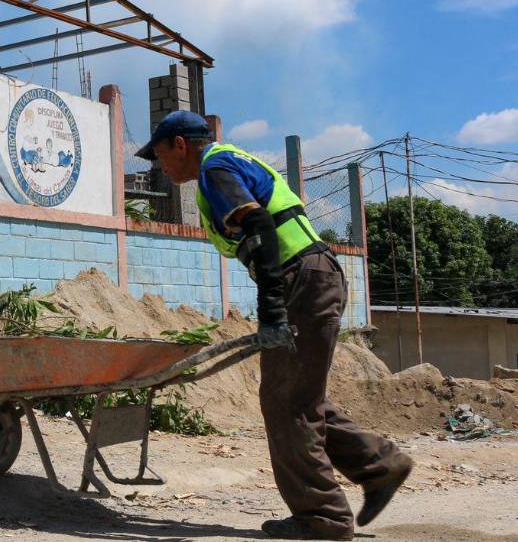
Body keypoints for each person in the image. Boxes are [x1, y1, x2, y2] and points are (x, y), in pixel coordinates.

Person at [135, 110, 413, 541]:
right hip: (312, 275)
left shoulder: (215, 167)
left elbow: (259, 226)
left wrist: (272, 311)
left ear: (179, 144)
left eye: (159, 156)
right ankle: (378, 466)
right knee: (298, 396)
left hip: (299, 279)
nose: (160, 167)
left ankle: (323, 520)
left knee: (287, 405)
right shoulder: (228, 161)